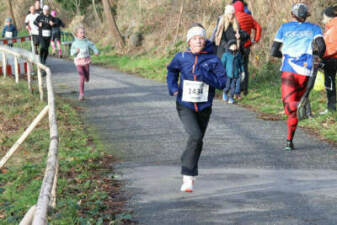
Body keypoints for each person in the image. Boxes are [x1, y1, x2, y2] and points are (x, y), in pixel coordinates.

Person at [167, 24, 226, 192]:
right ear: (189, 41)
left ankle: (189, 166)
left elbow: (222, 83)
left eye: (201, 38)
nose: (198, 41)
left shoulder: (213, 59)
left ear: (205, 40)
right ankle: (187, 176)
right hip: (184, 104)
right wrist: (173, 88)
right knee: (195, 135)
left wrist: (204, 75)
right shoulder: (181, 57)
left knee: (198, 139)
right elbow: (171, 71)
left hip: (204, 106)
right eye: (195, 39)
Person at [271, 3, 326, 151]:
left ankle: (289, 140)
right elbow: (321, 47)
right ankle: (289, 140)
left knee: (290, 108)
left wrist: (282, 56)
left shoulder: (284, 28)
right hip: (306, 72)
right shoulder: (315, 28)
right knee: (297, 104)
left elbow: (274, 51)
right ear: (306, 15)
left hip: (289, 70)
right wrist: (317, 58)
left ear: (292, 15)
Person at [233, 1, 262, 96]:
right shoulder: (249, 17)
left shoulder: (234, 17)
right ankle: (245, 89)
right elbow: (258, 28)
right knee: (244, 67)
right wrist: (255, 40)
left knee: (235, 66)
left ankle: (236, 89)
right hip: (246, 45)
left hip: (236, 45)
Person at [70, 26, 99, 101]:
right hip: (78, 62)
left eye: (83, 32)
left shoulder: (87, 42)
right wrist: (76, 51)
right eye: (81, 32)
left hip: (86, 61)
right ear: (77, 34)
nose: (83, 34)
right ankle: (81, 94)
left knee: (87, 78)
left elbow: (93, 46)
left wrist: (96, 51)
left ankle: (87, 78)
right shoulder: (74, 43)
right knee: (82, 77)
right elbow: (71, 53)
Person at [321, 6, 337, 114]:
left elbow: (332, 46)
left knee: (329, 82)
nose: (322, 20)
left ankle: (331, 108)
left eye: (324, 17)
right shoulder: (331, 27)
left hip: (332, 59)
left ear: (329, 17)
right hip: (332, 58)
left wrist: (322, 56)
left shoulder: (334, 28)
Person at [221, 39, 244, 104]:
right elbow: (222, 64)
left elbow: (241, 64)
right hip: (227, 74)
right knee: (227, 86)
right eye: (232, 45)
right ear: (229, 47)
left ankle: (231, 98)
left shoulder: (238, 55)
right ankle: (225, 93)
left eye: (235, 45)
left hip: (235, 74)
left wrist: (242, 72)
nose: (234, 46)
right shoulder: (226, 55)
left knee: (233, 87)